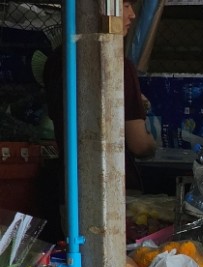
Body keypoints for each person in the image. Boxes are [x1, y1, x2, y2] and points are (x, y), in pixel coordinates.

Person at [44, 0, 155, 198]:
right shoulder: (118, 64)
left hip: (68, 189)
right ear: (103, 10)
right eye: (126, 5)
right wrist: (152, 143)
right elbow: (139, 145)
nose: (133, 15)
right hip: (115, 190)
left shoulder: (56, 60)